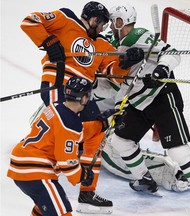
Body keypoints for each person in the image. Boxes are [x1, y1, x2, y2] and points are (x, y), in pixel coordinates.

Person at [20, 1, 144, 214]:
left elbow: (111, 71)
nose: (104, 28)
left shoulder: (102, 45)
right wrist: (49, 42)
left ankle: (87, 193)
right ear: (94, 19)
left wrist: (126, 62)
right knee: (64, 132)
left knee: (97, 130)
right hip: (58, 84)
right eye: (103, 23)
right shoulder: (66, 19)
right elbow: (30, 21)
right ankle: (41, 177)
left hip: (83, 95)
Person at [107, 4, 190, 216]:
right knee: (120, 140)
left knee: (177, 150)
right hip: (138, 102)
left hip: (161, 96)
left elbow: (172, 53)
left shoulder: (139, 35)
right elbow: (121, 84)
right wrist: (117, 108)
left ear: (124, 20)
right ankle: (144, 178)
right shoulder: (113, 45)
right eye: (113, 21)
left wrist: (161, 69)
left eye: (117, 21)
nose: (113, 25)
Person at [7, 77, 113, 216]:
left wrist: (100, 125)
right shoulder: (69, 121)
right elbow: (66, 160)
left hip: (23, 164)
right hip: (35, 170)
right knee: (62, 212)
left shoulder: (56, 107)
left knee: (45, 211)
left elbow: (75, 134)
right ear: (84, 98)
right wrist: (82, 175)